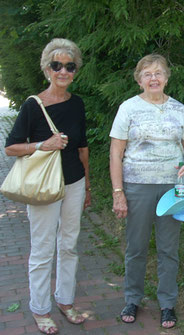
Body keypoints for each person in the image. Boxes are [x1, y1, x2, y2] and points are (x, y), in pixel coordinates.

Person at [5, 38, 90, 334]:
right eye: (57, 66)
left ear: (75, 70)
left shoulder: (77, 103)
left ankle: (65, 301)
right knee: (42, 249)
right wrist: (45, 144)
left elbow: (82, 147)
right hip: (43, 187)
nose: (63, 71)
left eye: (70, 66)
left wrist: (88, 186)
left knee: (69, 246)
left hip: (74, 183)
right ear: (47, 69)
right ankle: (40, 309)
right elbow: (11, 148)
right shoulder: (33, 105)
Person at [110, 54, 184, 329]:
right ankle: (132, 298)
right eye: (147, 74)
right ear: (139, 80)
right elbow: (116, 153)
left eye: (158, 73)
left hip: (173, 188)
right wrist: (118, 192)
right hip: (137, 187)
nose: (153, 78)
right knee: (136, 248)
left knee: (168, 249)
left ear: (167, 78)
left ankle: (167, 304)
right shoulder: (128, 108)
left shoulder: (179, 109)